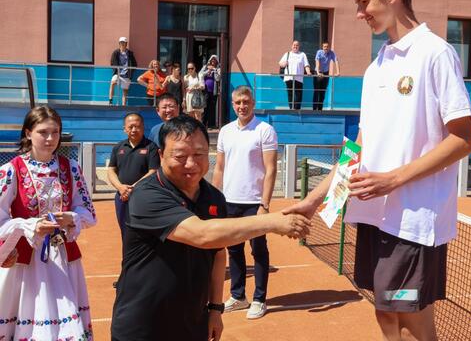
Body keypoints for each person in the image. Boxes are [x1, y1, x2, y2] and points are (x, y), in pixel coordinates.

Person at [284, 0, 471, 341]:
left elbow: (463, 138)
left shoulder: (436, 54)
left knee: (411, 321)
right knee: (386, 314)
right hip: (374, 218)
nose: (360, 13)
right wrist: (315, 200)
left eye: (363, 2)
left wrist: (393, 179)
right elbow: (359, 148)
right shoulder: (377, 68)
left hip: (412, 224)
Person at [110, 115, 310, 341]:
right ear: (160, 155)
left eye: (199, 154)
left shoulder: (214, 197)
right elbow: (202, 234)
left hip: (193, 323)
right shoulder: (147, 194)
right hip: (143, 325)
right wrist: (272, 221)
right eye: (180, 156)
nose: (191, 164)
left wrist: (215, 309)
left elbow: (216, 253)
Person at [0, 107, 97, 340]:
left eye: (55, 132)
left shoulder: (71, 168)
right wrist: (29, 225)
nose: (51, 138)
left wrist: (71, 218)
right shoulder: (11, 170)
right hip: (26, 261)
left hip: (63, 258)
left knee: (65, 319)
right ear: (28, 133)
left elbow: (88, 212)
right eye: (43, 132)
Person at [212, 86, 278, 320]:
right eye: (238, 102)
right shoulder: (225, 131)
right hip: (229, 201)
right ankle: (238, 296)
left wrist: (265, 204)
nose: (242, 106)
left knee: (258, 250)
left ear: (253, 102)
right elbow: (219, 167)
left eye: (246, 101)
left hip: (254, 203)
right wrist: (214, 198)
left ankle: (259, 299)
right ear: (232, 104)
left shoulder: (265, 130)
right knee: (234, 249)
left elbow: (271, 169)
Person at [107, 113, 160, 243]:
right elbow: (111, 170)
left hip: (143, 196)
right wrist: (120, 188)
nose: (134, 130)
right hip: (122, 196)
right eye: (130, 127)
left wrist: (132, 188)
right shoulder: (118, 147)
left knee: (143, 231)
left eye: (137, 126)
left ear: (143, 127)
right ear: (125, 129)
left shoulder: (151, 147)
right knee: (124, 230)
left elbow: (153, 171)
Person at [279, 40, 311, 110]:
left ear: (299, 46)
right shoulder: (287, 54)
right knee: (290, 94)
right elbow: (280, 63)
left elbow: (306, 65)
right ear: (291, 46)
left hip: (298, 78)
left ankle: (297, 109)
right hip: (289, 77)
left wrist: (308, 72)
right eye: (294, 45)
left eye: (297, 45)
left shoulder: (302, 54)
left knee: (298, 94)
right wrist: (283, 64)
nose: (295, 46)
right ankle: (291, 109)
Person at [109, 36, 138, 106]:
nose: (123, 44)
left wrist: (131, 71)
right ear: (119, 43)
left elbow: (135, 64)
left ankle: (123, 105)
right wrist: (116, 70)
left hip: (126, 74)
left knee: (125, 91)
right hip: (117, 73)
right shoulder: (116, 52)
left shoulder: (130, 53)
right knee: (112, 83)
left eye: (124, 43)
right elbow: (112, 62)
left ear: (126, 44)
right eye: (121, 43)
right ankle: (110, 101)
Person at [313, 41, 340, 111]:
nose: (326, 48)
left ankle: (320, 109)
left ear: (329, 47)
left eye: (327, 47)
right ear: (322, 47)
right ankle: (314, 109)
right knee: (316, 91)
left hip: (325, 73)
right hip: (317, 72)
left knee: (323, 91)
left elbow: (336, 61)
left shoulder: (331, 53)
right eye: (324, 47)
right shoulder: (319, 52)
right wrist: (318, 72)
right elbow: (317, 62)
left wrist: (338, 72)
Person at [199, 55, 221, 129]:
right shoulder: (205, 67)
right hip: (205, 91)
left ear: (217, 62)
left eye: (215, 60)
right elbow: (200, 74)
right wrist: (208, 70)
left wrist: (214, 70)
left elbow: (218, 79)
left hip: (213, 91)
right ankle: (203, 124)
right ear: (210, 60)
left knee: (212, 108)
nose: (213, 62)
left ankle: (211, 124)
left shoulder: (218, 69)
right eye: (212, 60)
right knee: (205, 107)